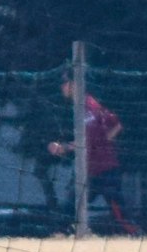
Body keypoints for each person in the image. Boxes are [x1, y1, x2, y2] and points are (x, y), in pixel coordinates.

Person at [46, 87, 130, 231]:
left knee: (120, 214)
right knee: (71, 208)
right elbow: (114, 125)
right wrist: (104, 140)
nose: (62, 87)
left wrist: (64, 148)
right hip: (90, 171)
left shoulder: (88, 106)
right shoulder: (84, 105)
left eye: (64, 83)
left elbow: (90, 138)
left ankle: (135, 236)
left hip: (105, 170)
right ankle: (64, 236)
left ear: (72, 84)